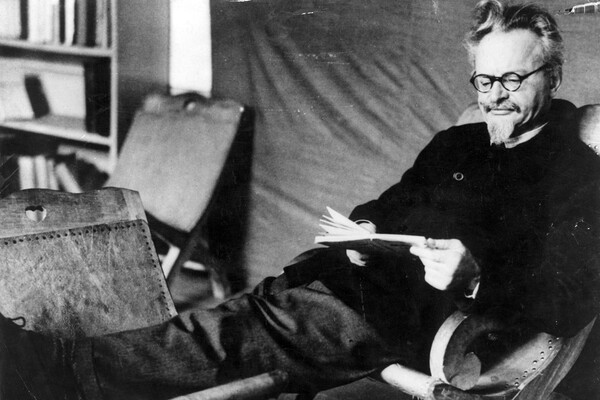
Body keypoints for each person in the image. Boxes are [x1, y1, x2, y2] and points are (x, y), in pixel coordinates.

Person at [2, 1, 600, 399]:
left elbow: (572, 296)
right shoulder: (456, 142)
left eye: (513, 80)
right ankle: (63, 365)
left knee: (226, 339)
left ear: (553, 76)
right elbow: (390, 204)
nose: (495, 97)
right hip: (346, 278)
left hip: (408, 315)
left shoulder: (578, 173)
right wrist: (364, 234)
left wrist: (477, 278)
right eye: (484, 80)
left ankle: (53, 369)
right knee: (231, 322)